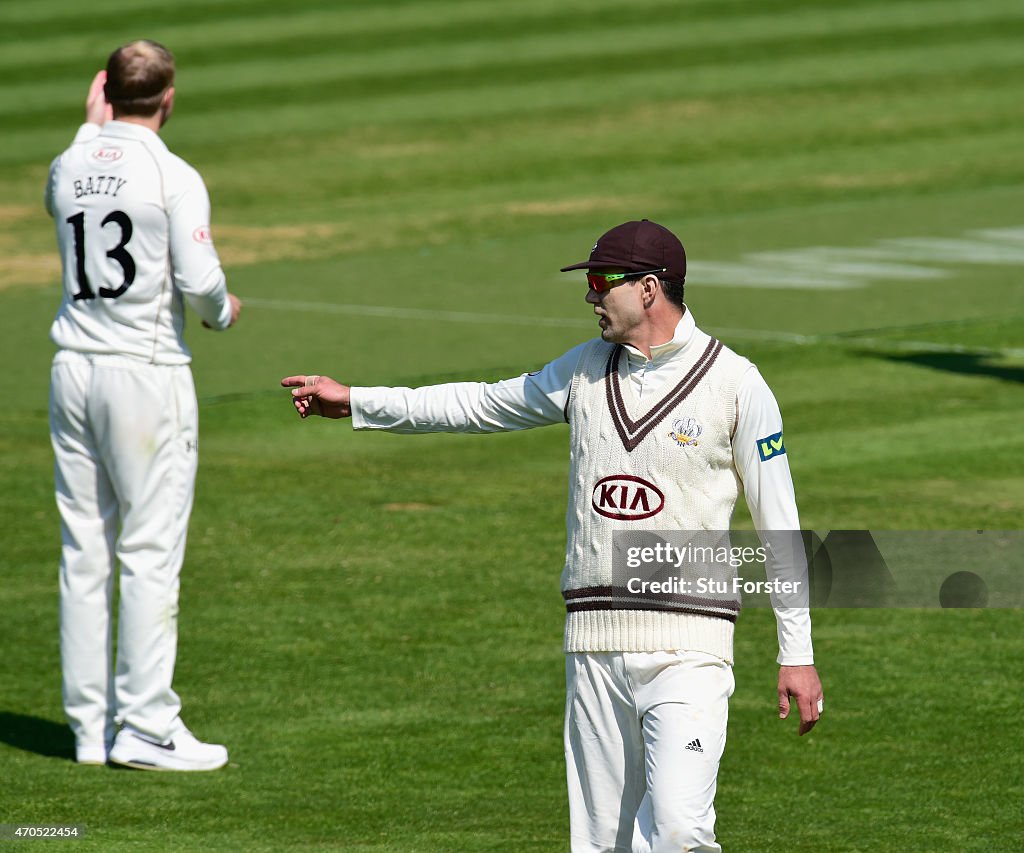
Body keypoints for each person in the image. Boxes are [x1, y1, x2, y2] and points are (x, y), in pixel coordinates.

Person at [282, 219, 823, 850]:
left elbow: (779, 525)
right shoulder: (585, 370)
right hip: (593, 642)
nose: (591, 297)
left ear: (648, 289)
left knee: (680, 829)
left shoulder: (737, 384)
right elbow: (482, 404)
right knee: (601, 843)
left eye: (601, 282)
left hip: (690, 645)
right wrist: (358, 402)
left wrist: (797, 652)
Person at [46, 40, 241, 771]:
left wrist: (88, 129)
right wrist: (225, 313)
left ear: (106, 91)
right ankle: (148, 726)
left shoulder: (69, 163)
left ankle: (89, 730)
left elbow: (68, 188)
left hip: (72, 371)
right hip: (144, 373)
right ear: (168, 96)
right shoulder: (172, 173)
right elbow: (201, 282)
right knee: (149, 551)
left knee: (84, 551)